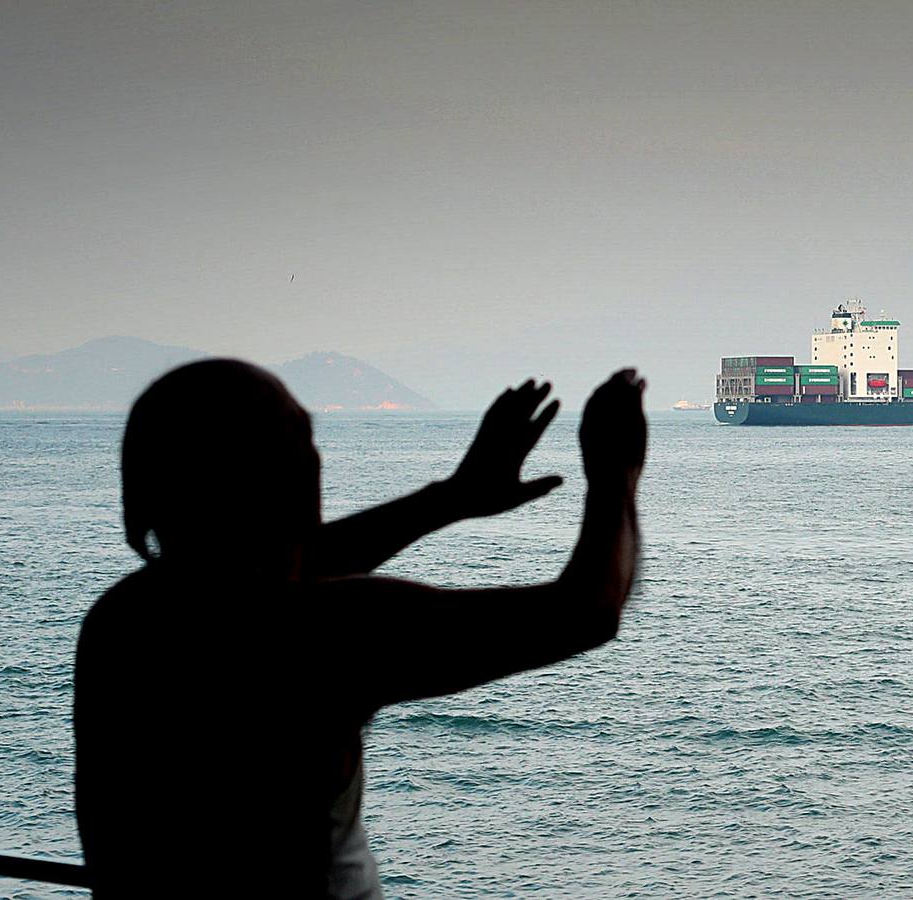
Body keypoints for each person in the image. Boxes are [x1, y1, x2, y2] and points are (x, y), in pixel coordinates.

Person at [73, 361, 646, 899]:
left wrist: (452, 497)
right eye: (298, 441)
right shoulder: (316, 633)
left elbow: (281, 567)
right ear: (271, 481)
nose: (314, 459)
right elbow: (584, 612)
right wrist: (614, 472)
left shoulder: (123, 621)